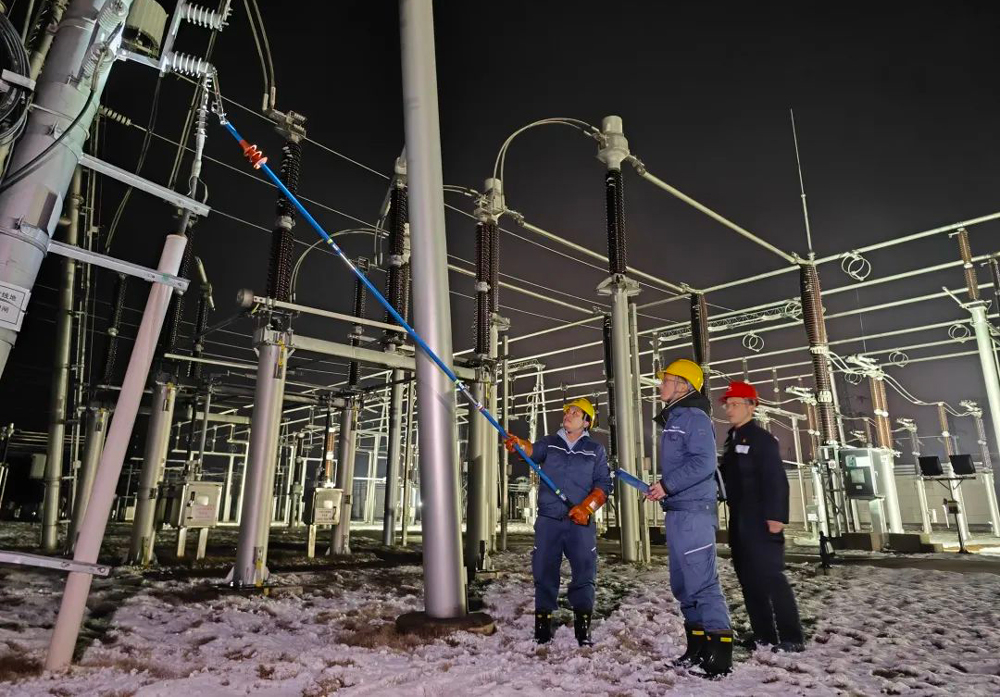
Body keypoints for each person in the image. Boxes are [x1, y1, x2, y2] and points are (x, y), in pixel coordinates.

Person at [644, 359, 733, 677]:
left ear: (683, 385)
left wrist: (667, 485)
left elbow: (704, 463)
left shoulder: (693, 417)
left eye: (665, 380)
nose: (661, 385)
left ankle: (719, 656)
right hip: (679, 511)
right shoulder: (676, 418)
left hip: (694, 512)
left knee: (702, 583)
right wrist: (663, 489)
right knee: (683, 584)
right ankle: (697, 648)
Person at [505, 397, 611, 646]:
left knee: (585, 573)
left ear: (586, 422)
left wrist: (587, 507)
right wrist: (518, 444)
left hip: (580, 524)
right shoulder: (550, 444)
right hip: (549, 521)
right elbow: (531, 450)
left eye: (576, 413)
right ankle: (542, 628)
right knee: (543, 571)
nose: (568, 415)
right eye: (567, 411)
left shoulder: (595, 451)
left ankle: (582, 630)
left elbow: (604, 485)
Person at [719, 381, 805, 653]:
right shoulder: (732, 440)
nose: (729, 409)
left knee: (771, 577)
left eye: (735, 404)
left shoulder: (762, 440)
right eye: (727, 404)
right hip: (740, 520)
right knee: (749, 580)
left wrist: (776, 517)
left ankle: (792, 636)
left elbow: (776, 480)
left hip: (761, 519)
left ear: (752, 406)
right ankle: (764, 634)